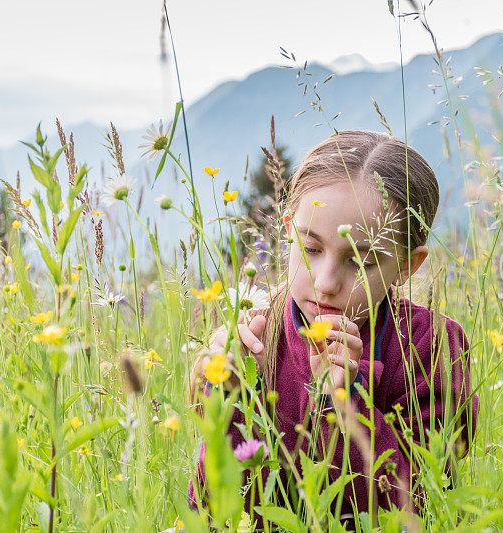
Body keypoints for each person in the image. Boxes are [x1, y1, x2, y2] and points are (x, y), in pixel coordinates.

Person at [188, 130, 478, 526]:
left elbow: (420, 503)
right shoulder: (258, 332)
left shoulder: (430, 346)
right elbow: (212, 506)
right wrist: (225, 394)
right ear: (288, 228)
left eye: (361, 262)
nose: (325, 282)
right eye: (310, 249)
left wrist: (343, 401)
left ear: (408, 265)